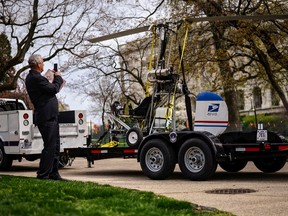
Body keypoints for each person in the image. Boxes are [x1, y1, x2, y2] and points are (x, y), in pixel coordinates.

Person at [25, 54, 65, 181]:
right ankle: (43, 174)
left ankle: (53, 173)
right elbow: (54, 89)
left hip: (51, 115)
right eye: (42, 63)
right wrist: (58, 78)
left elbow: (47, 89)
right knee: (50, 145)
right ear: (37, 64)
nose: (43, 65)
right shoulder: (35, 78)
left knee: (55, 145)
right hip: (46, 116)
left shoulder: (36, 78)